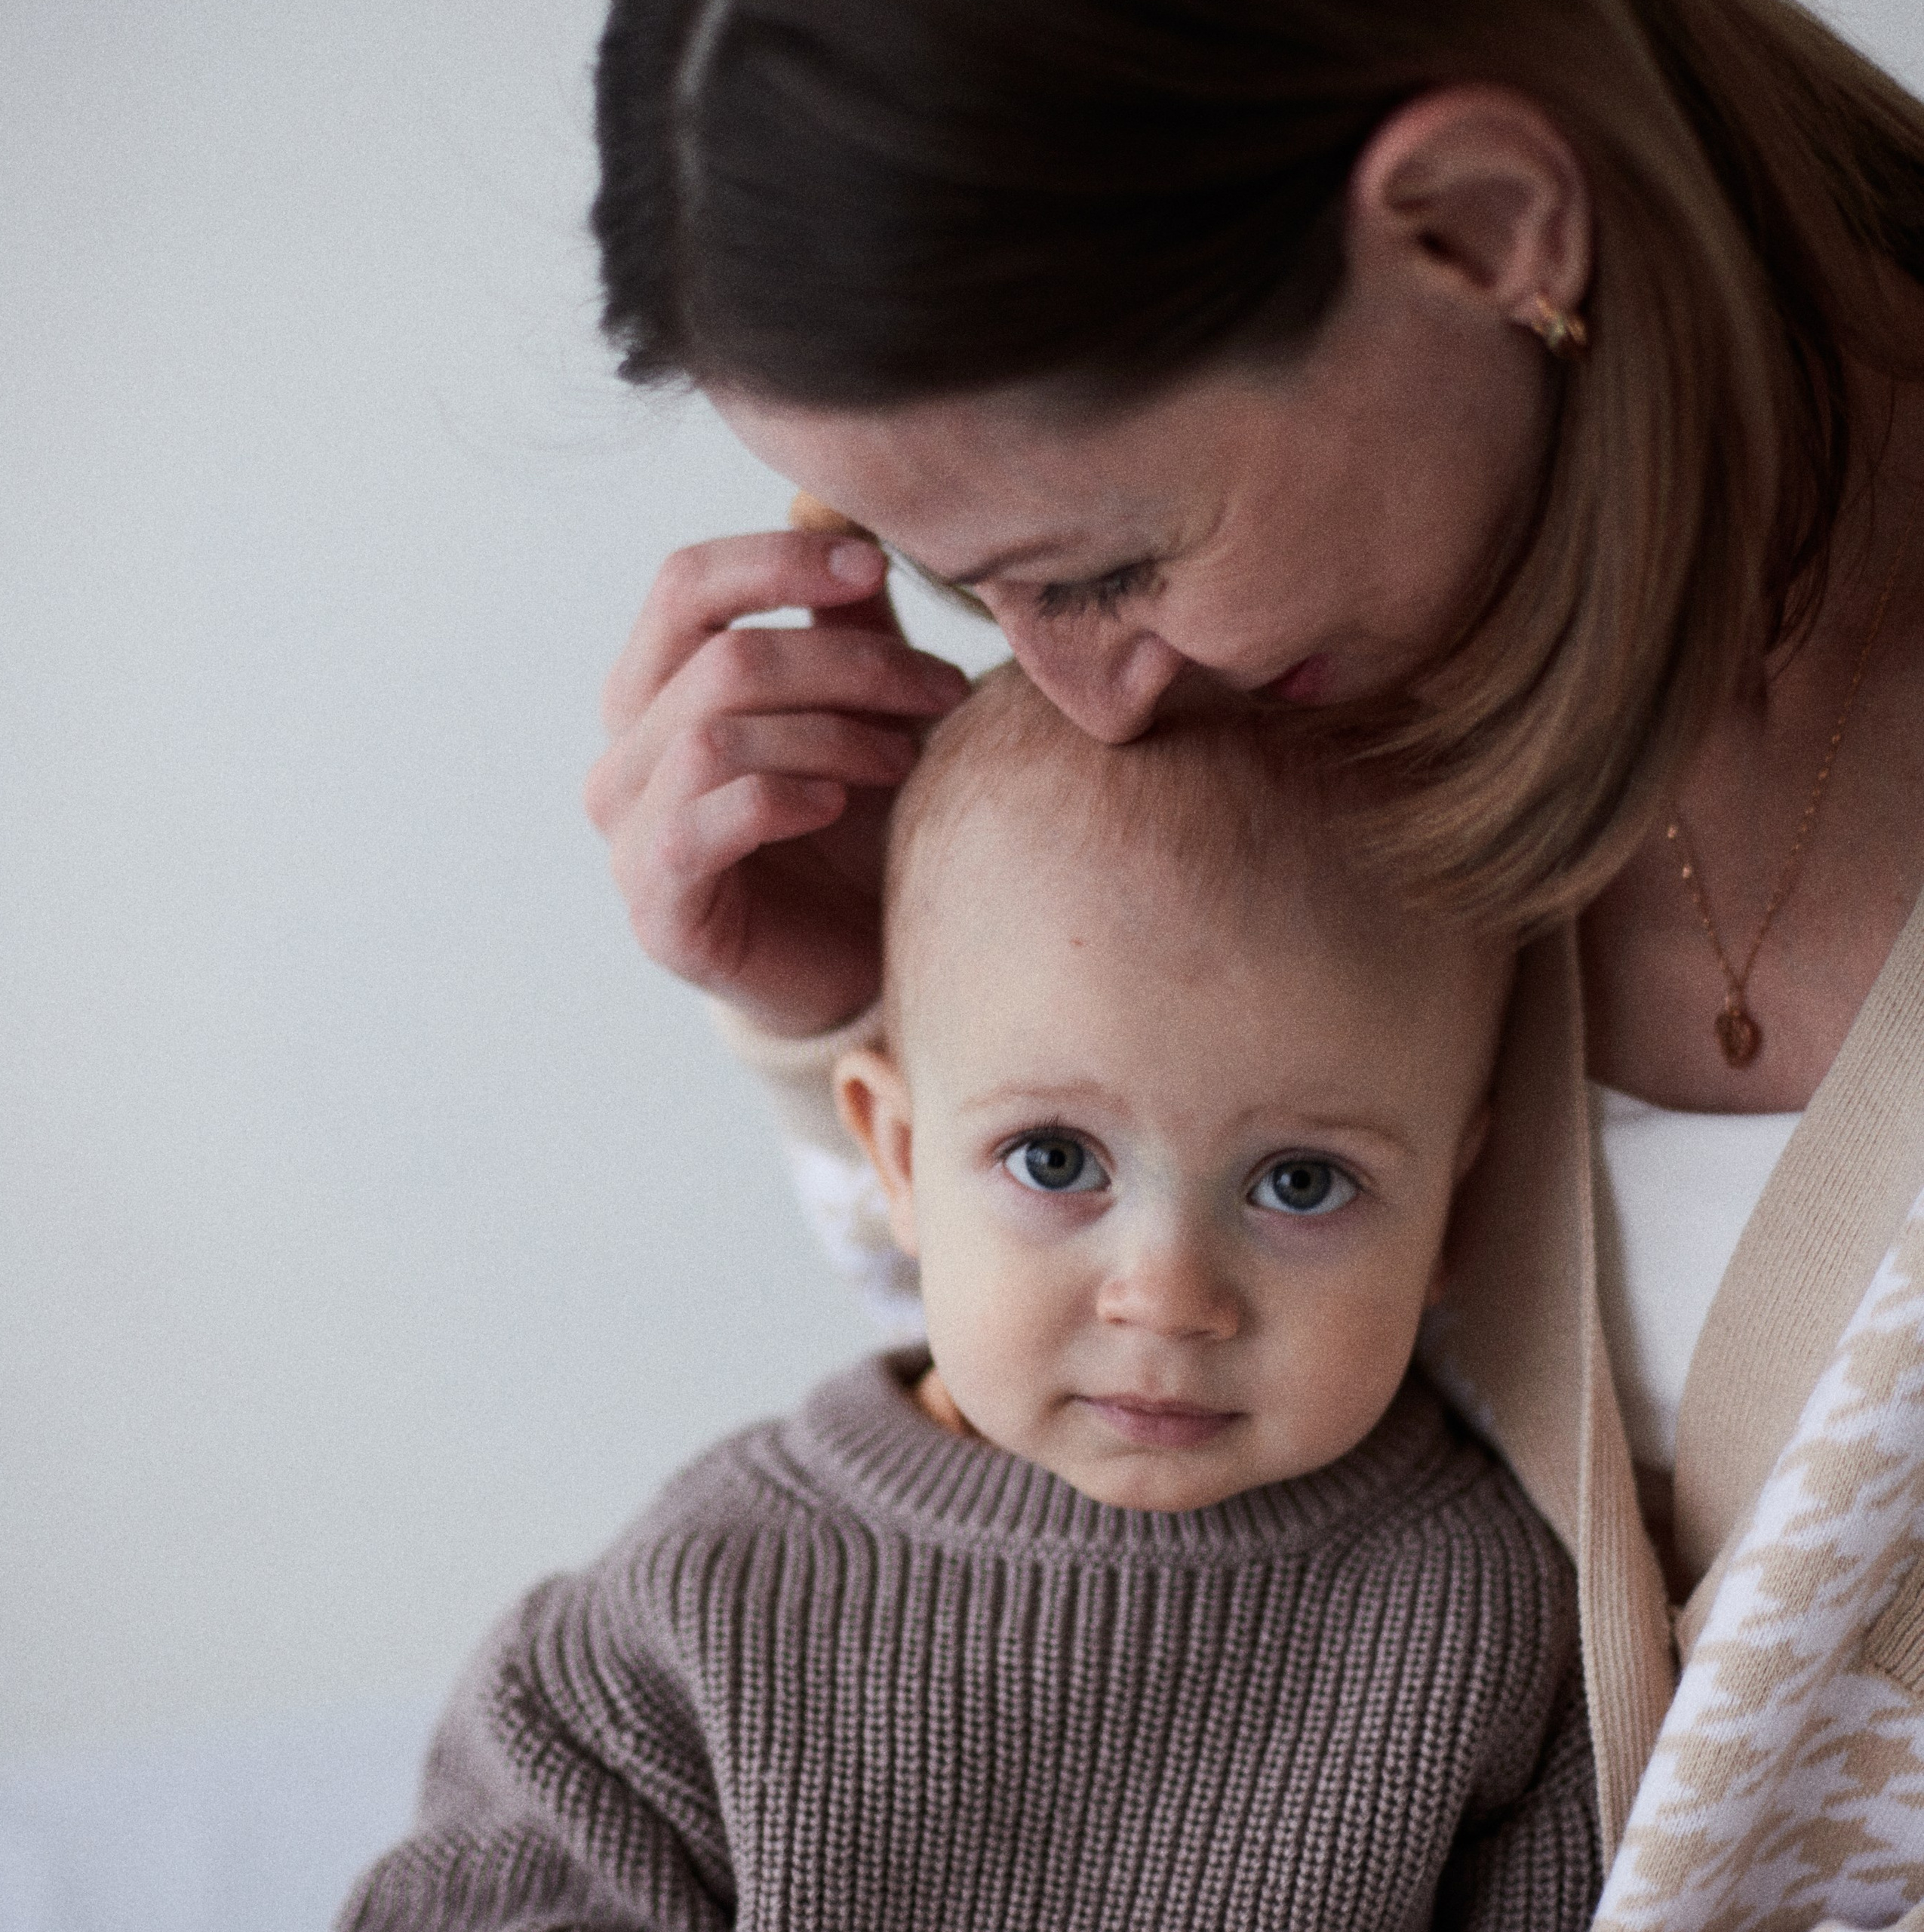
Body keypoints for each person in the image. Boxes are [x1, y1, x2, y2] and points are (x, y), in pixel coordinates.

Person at [579, 2, 1924, 1927]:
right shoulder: (1305, 741)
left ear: (1476, 226)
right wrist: (851, 1002)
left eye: (1099, 569)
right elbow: (1118, 1469)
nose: (1077, 697)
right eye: (968, 588)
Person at [343, 666, 1600, 1929]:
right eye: (1056, 1160)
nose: (1168, 1298)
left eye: (1303, 1182)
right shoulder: (714, 1594)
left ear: (1459, 1206)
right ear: (894, 1156)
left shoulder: (1494, 1624)